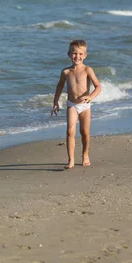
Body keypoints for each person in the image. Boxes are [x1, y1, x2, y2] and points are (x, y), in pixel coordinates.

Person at [51, 40, 102, 169]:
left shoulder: (87, 70)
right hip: (72, 105)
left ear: (85, 55)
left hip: (85, 105)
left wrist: (91, 97)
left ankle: (85, 155)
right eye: (74, 53)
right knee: (70, 131)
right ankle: (71, 160)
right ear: (69, 54)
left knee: (84, 132)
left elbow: (98, 86)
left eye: (80, 54)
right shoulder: (66, 72)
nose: (77, 56)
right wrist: (55, 101)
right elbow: (60, 85)